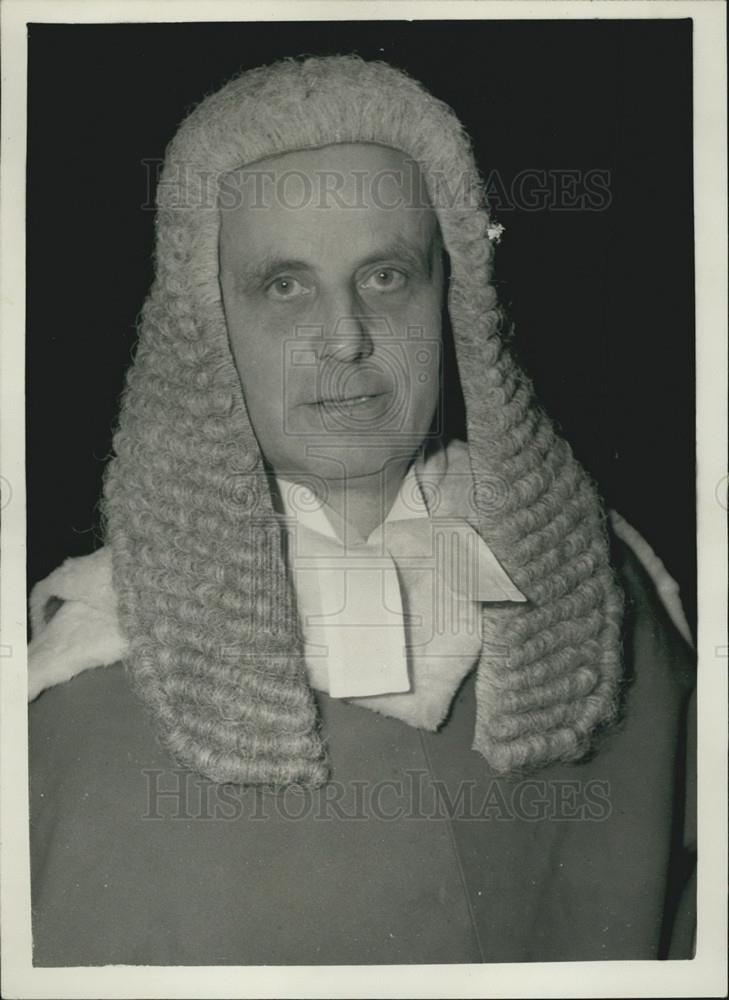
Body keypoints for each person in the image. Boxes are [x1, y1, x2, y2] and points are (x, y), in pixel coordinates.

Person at [27, 54, 696, 965]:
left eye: (385, 277)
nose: (343, 338)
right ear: (204, 325)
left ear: (452, 298)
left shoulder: (606, 595)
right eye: (285, 286)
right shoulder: (78, 699)